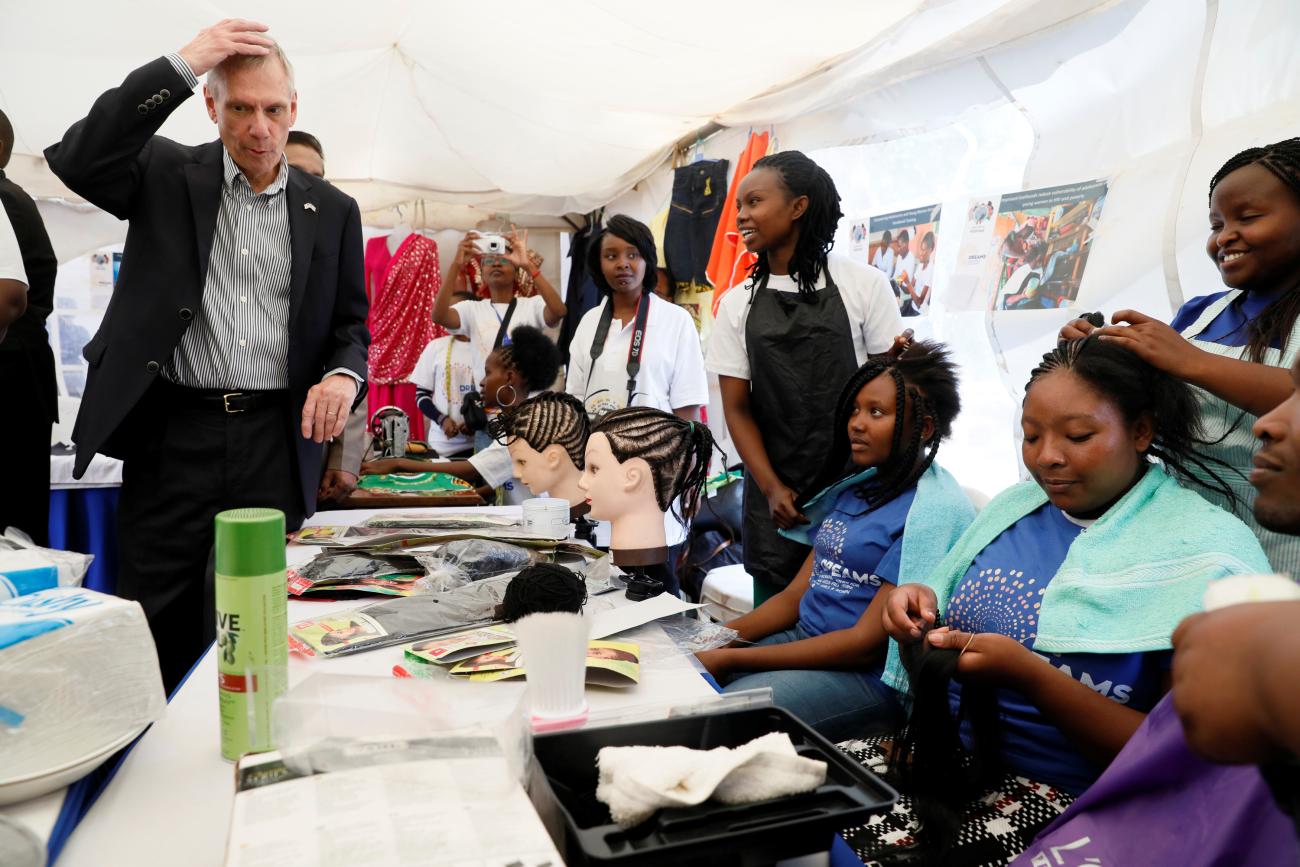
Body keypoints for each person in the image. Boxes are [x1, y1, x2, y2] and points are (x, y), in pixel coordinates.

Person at [842, 335, 1271, 864]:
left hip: (1085, 803)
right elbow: (943, 592)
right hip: (947, 761)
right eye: (1030, 436)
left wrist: (1032, 676)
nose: (1046, 458)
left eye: (1078, 435)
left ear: (1141, 431)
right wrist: (921, 597)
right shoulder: (1014, 507)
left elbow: (1183, 758)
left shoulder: (1207, 553)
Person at [43, 20, 370, 691]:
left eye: (274, 110)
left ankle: (247, 754)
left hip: (274, 440)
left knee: (256, 620)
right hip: (174, 435)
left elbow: (350, 324)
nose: (260, 128)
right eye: (242, 109)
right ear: (212, 106)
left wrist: (342, 374)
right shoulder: (165, 174)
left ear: (294, 110)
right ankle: (152, 769)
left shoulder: (331, 209)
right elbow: (80, 157)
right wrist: (185, 62)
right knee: (157, 614)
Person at [695, 342, 973, 740]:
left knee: (719, 717)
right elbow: (794, 598)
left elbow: (863, 645)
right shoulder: (858, 490)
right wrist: (717, 638)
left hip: (867, 677)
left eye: (876, 412)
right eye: (855, 410)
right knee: (687, 678)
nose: (856, 423)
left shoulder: (933, 513)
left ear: (924, 427)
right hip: (807, 642)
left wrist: (736, 658)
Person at [1061, 139, 1300, 574]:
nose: (1224, 237)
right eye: (1216, 224)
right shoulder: (1198, 313)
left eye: (1247, 217)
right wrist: (1094, 356)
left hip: (1276, 552)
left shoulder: (1194, 345)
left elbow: (1294, 393)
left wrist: (1192, 362)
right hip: (1178, 542)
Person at [707, 150, 902, 605]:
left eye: (754, 201)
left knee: (845, 615)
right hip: (776, 495)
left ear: (797, 207)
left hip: (856, 487)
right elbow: (736, 409)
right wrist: (772, 487)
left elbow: (889, 393)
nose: (742, 215)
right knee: (774, 625)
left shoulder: (863, 285)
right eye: (740, 205)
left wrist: (900, 362)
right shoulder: (737, 304)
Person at [369, 326, 561, 505]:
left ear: (510, 378)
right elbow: (504, 476)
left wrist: (397, 464)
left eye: (488, 373)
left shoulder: (523, 429)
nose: (482, 383)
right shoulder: (515, 421)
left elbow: (471, 471)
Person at [283, 129, 363, 505]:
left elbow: (349, 345)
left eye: (317, 178)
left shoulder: (336, 238)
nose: (307, 186)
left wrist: (345, 457)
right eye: (296, 172)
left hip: (303, 442)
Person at [566, 214, 708, 421]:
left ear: (647, 261)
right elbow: (575, 401)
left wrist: (696, 452)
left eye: (633, 255)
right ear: (599, 264)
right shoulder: (588, 322)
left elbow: (687, 406)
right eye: (611, 256)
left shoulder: (676, 321)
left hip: (657, 450)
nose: (622, 264)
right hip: (594, 449)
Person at [0, 108, 55, 545]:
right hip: (25, 365)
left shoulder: (5, 198)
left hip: (13, 368)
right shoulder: (17, 197)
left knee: (13, 527)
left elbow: (10, 298)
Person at [433, 228, 566, 363]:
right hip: (487, 384)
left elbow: (559, 311)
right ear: (483, 274)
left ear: (515, 273)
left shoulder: (532, 305)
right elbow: (439, 317)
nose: (496, 263)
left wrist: (528, 266)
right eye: (489, 261)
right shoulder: (471, 309)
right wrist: (456, 265)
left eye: (504, 260)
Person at [410, 289, 479, 458]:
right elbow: (421, 396)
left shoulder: (486, 347)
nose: (445, 315)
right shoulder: (436, 347)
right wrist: (442, 420)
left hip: (480, 445)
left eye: (452, 310)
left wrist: (475, 421)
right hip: (443, 447)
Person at [899, 230, 934, 317]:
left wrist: (907, 282)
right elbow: (908, 291)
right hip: (911, 306)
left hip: (919, 313)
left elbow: (919, 303)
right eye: (921, 249)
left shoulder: (931, 270)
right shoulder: (920, 265)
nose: (920, 253)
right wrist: (899, 281)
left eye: (924, 250)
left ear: (931, 250)